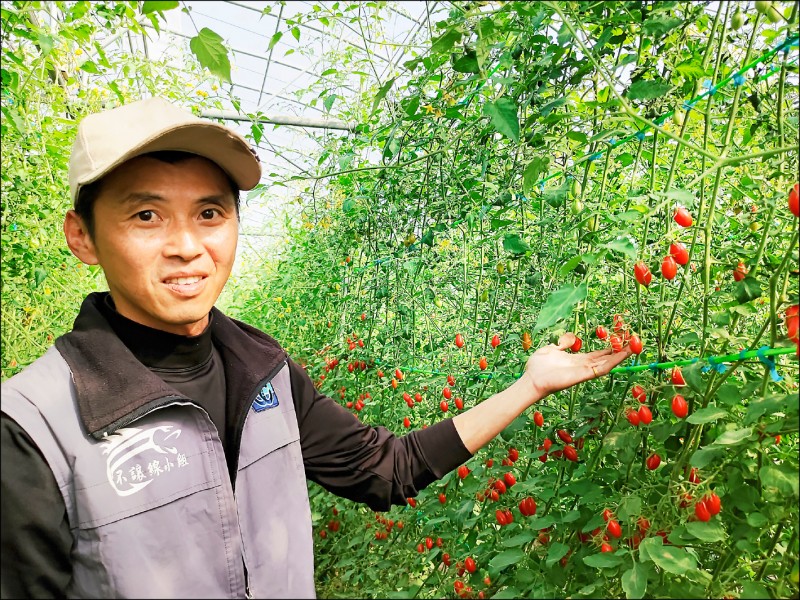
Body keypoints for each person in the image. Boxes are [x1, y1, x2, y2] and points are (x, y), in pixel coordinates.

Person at [0, 97, 632, 599]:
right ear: (82, 237)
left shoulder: (263, 373)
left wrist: (532, 385)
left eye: (211, 214)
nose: (187, 246)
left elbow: (388, 470)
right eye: (146, 216)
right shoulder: (33, 427)